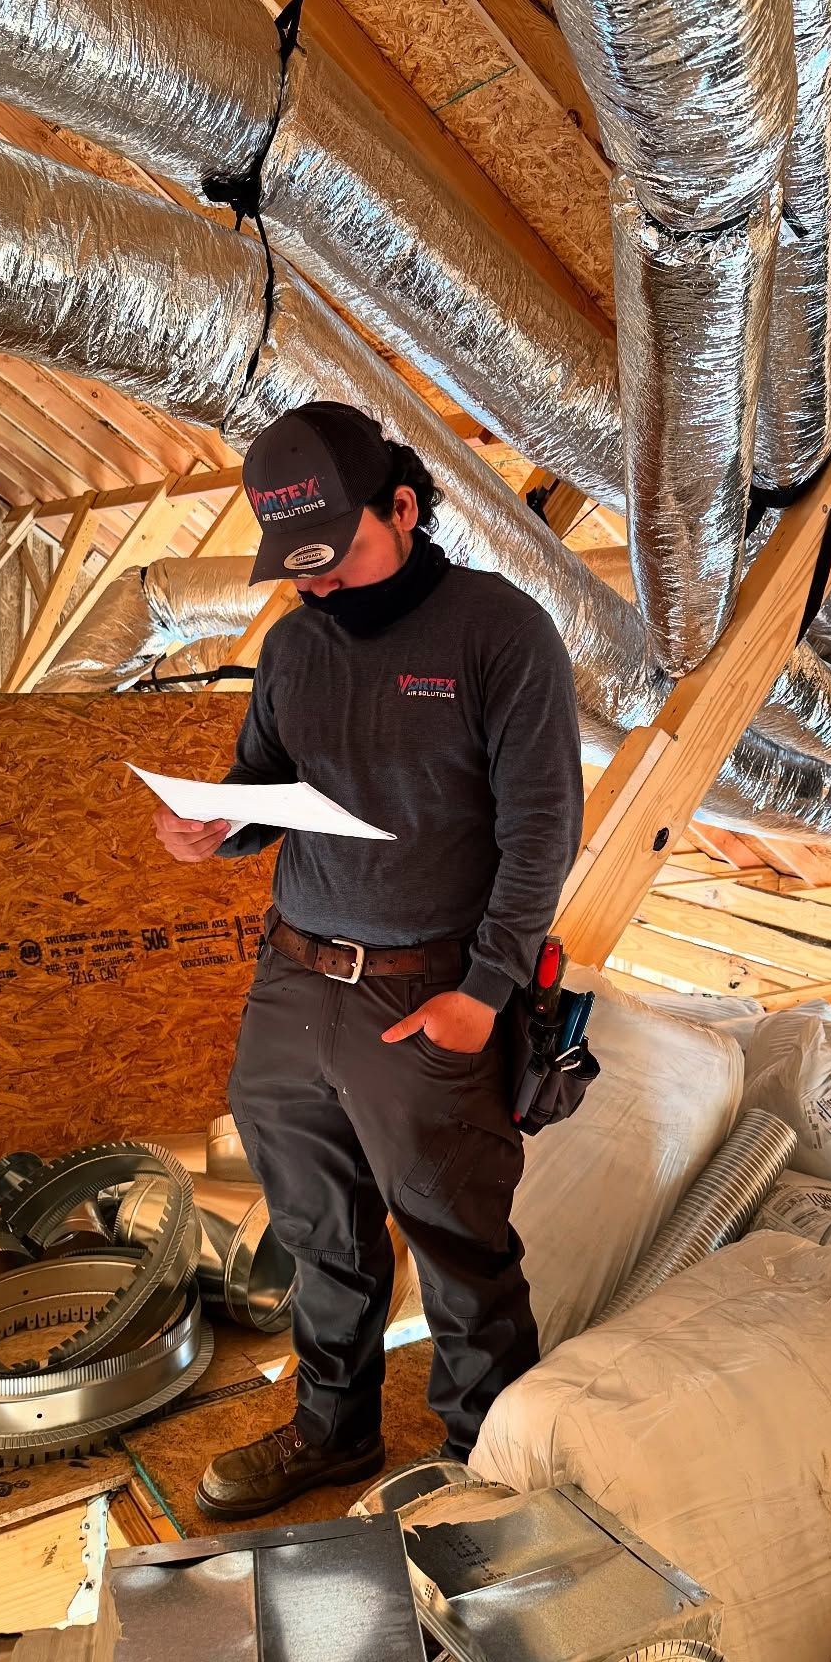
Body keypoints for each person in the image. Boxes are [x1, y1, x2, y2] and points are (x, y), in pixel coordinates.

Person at [153, 401, 582, 1519]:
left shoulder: (499, 633)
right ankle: (333, 1432)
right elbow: (266, 782)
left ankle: (487, 1472)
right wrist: (216, 825)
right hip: (294, 982)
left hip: (427, 993)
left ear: (401, 507)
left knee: (457, 1243)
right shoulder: (293, 646)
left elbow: (543, 832)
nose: (319, 583)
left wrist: (484, 994)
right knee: (315, 1231)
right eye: (295, 566)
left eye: (334, 554)